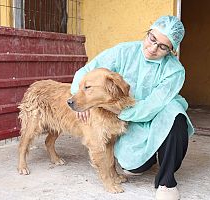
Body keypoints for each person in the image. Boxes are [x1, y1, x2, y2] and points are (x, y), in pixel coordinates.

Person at [70, 15, 195, 200]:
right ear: (148, 32)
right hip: (130, 122)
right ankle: (150, 158)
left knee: (175, 113)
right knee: (134, 167)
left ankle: (167, 181)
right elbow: (86, 72)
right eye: (152, 39)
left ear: (171, 50)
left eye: (162, 47)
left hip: (156, 115)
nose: (153, 48)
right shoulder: (124, 51)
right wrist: (81, 98)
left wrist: (120, 111)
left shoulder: (174, 70)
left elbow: (153, 106)